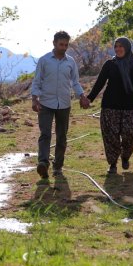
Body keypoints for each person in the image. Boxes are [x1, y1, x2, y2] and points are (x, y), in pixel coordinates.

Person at [31, 31, 90, 179]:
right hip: (45, 103)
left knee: (61, 136)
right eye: (61, 44)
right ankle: (43, 163)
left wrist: (82, 96)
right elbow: (37, 81)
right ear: (54, 43)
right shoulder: (44, 60)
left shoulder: (70, 62)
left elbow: (75, 82)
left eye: (66, 45)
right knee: (45, 134)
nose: (63, 47)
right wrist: (34, 99)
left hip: (64, 103)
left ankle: (58, 166)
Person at [86, 37, 133, 174]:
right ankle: (113, 164)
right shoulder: (109, 64)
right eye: (116, 46)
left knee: (130, 135)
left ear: (127, 48)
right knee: (111, 136)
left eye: (121, 46)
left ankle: (125, 157)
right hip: (110, 106)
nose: (118, 49)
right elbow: (100, 83)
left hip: (130, 107)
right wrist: (89, 99)